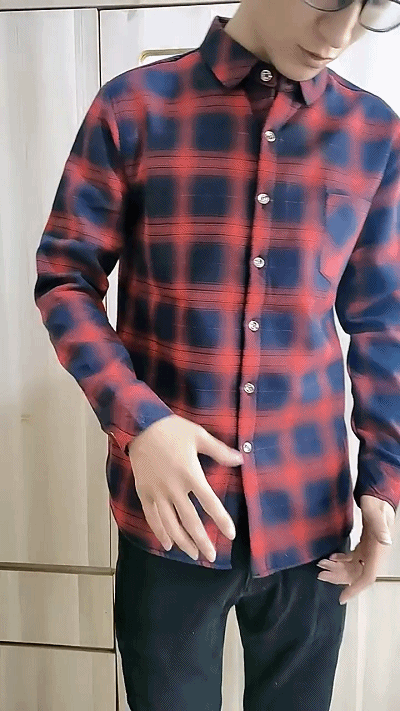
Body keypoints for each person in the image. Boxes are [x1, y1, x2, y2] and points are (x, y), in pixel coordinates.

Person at [34, 0, 399, 708]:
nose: (340, 35)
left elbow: (384, 321)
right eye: (327, 0)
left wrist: (384, 482)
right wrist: (141, 422)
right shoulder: (134, 107)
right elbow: (65, 279)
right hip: (169, 519)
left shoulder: (374, 132)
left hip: (313, 521)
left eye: (371, 10)